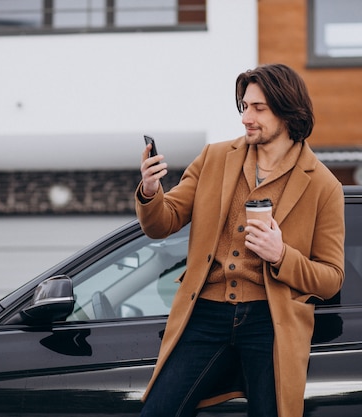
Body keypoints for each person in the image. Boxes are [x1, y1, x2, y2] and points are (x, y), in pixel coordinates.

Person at [135, 63, 345, 417]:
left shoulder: (324, 185)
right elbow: (163, 223)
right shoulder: (214, 158)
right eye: (244, 107)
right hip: (205, 312)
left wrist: (281, 255)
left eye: (258, 108)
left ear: (287, 111)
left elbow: (330, 279)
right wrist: (151, 190)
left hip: (270, 321)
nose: (246, 117)